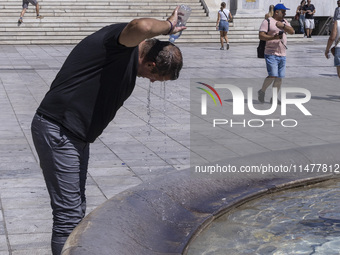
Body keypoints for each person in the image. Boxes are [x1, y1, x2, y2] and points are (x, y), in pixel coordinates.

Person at [30, 6, 185, 255]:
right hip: (60, 131)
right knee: (68, 216)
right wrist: (169, 25)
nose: (152, 81)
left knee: (76, 210)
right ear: (152, 62)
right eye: (156, 76)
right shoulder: (121, 46)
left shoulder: (127, 55)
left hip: (74, 136)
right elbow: (142, 26)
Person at [257, 3, 295, 104]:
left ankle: (274, 97)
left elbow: (292, 31)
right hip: (271, 53)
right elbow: (261, 36)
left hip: (282, 53)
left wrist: (283, 26)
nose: (285, 13)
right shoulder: (267, 21)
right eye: (283, 12)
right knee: (273, 75)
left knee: (279, 77)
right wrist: (273, 37)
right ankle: (262, 91)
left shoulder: (284, 22)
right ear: (277, 12)